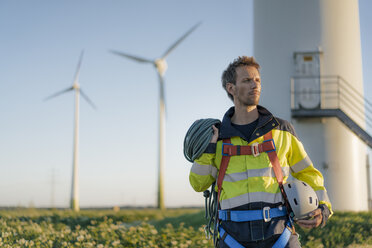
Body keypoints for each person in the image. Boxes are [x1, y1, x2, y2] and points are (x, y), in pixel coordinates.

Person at [189, 56, 332, 247]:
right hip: (232, 237)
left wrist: (323, 208)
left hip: (280, 233)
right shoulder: (217, 136)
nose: (254, 85)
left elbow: (308, 173)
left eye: (257, 80)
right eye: (247, 80)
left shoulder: (282, 130)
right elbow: (198, 184)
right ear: (231, 88)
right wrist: (209, 148)